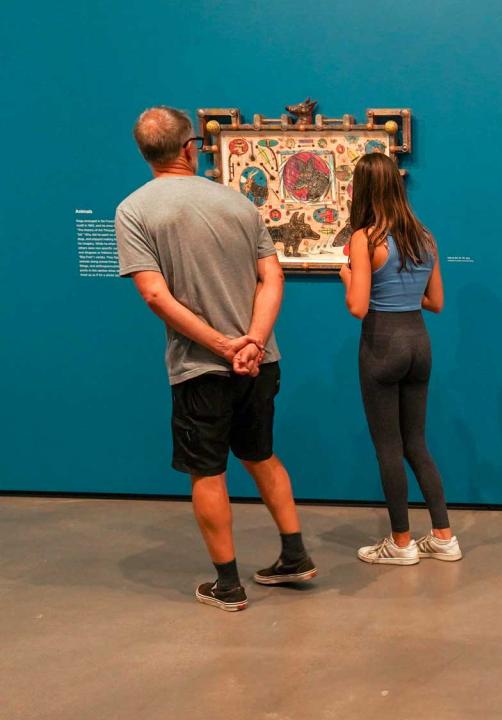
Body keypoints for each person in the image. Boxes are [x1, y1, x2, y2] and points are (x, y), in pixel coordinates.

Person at [116, 107, 317, 612]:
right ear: (189, 148)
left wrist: (223, 346)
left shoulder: (134, 211)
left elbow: (156, 297)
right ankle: (294, 556)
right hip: (260, 360)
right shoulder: (237, 203)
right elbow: (272, 277)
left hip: (200, 366)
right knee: (261, 455)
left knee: (207, 471)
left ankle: (227, 585)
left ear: (145, 153)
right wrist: (250, 340)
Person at [339, 152, 460, 565]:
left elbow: (357, 306)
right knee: (416, 444)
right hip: (418, 343)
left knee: (388, 447)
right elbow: (436, 302)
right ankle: (443, 535)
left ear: (362, 189)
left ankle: (401, 542)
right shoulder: (424, 237)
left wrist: (349, 277)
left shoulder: (364, 238)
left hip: (381, 342)